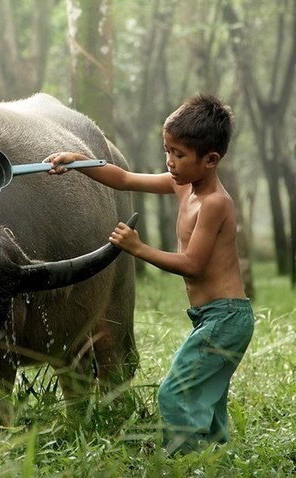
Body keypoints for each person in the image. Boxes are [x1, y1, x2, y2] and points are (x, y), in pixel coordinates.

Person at [45, 93, 254, 455]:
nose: (170, 162)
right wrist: (81, 162)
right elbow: (124, 178)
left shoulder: (214, 203)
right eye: (167, 151)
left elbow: (192, 264)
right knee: (208, 397)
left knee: (176, 392)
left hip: (226, 319)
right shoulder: (182, 184)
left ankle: (181, 461)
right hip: (211, 317)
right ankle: (214, 457)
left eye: (179, 154)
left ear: (210, 159)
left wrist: (137, 248)